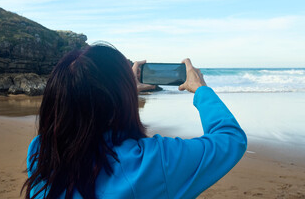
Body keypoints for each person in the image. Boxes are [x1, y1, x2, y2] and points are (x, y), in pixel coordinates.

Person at [22, 43, 247, 199]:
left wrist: (122, 92)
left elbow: (86, 117)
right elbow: (230, 139)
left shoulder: (41, 153)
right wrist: (201, 90)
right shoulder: (154, 162)